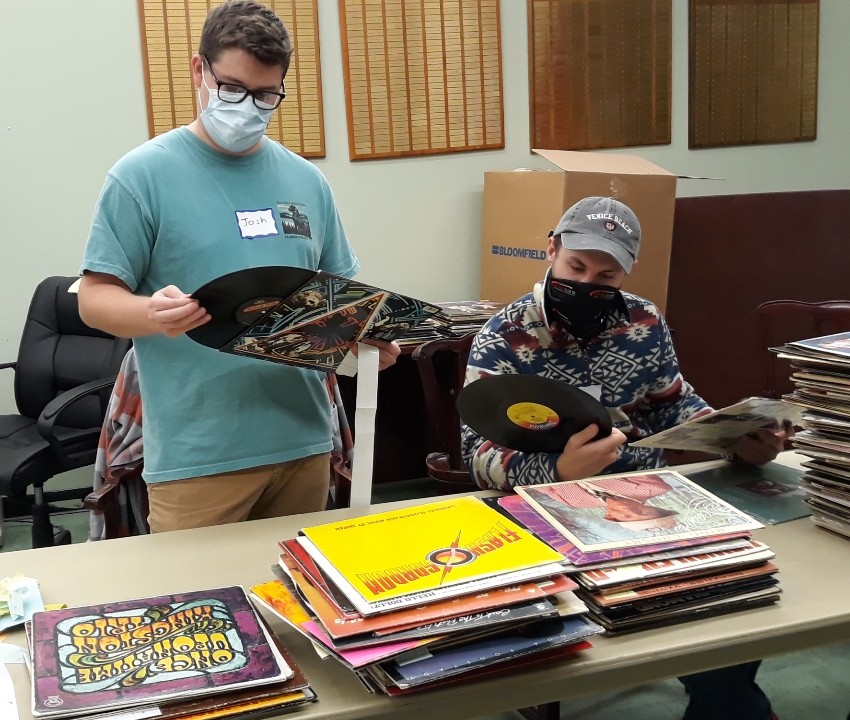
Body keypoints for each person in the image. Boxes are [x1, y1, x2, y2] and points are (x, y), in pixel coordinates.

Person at [78, 1, 399, 533]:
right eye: (231, 88)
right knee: (196, 587)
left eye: (265, 95)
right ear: (199, 70)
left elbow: (338, 296)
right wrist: (151, 313)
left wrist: (364, 339)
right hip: (198, 455)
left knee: (296, 584)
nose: (247, 107)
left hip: (304, 442)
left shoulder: (306, 181)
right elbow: (94, 299)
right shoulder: (141, 177)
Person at [461, 196, 786, 720]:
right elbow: (477, 455)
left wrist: (731, 435)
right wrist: (557, 471)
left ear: (626, 272)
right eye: (575, 266)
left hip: (645, 496)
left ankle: (725, 705)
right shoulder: (503, 336)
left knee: (729, 595)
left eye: (606, 275)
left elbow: (672, 403)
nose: (587, 282)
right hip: (540, 506)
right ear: (551, 250)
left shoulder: (643, 320)